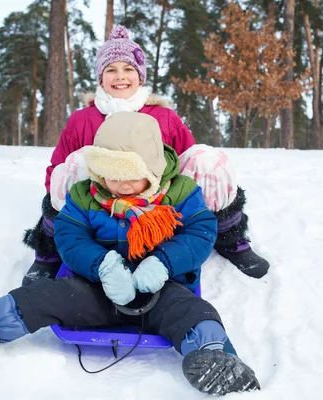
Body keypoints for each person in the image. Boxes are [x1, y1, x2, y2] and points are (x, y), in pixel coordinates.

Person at [0, 113, 260, 396]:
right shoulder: (84, 194)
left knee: (193, 312)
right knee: (44, 296)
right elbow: (69, 235)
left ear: (153, 166)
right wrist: (101, 265)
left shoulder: (181, 192)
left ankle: (215, 359)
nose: (120, 185)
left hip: (161, 288)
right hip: (97, 286)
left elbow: (201, 232)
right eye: (111, 174)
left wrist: (164, 262)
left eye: (131, 174)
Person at [22, 25, 269, 286]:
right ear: (100, 78)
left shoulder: (164, 116)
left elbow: (188, 163)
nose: (120, 77)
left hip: (159, 203)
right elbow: (56, 174)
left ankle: (228, 236)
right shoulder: (82, 120)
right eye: (111, 70)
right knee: (72, 164)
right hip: (100, 203)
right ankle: (51, 249)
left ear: (140, 77)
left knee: (206, 159)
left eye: (128, 69)